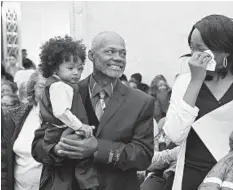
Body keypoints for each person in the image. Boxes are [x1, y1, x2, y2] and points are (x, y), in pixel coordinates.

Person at [162, 14, 233, 190]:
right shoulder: (185, 82)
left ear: (225, 50)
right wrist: (195, 81)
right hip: (193, 178)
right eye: (192, 48)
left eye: (201, 48)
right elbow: (174, 135)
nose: (194, 55)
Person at [32, 31, 155, 190]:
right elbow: (37, 147)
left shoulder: (141, 102)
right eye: (110, 51)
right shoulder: (63, 91)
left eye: (123, 53)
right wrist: (58, 149)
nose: (118, 58)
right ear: (91, 55)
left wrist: (98, 148)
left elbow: (143, 156)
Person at [37, 35, 98, 190]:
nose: (76, 73)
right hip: (61, 132)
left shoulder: (58, 84)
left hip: (60, 131)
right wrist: (80, 126)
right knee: (79, 160)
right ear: (54, 67)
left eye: (79, 69)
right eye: (70, 68)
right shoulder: (60, 86)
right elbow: (61, 112)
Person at [1, 71, 46, 190]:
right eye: (42, 87)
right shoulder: (15, 116)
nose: (47, 91)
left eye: (52, 86)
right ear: (33, 89)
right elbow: (4, 160)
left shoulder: (64, 119)